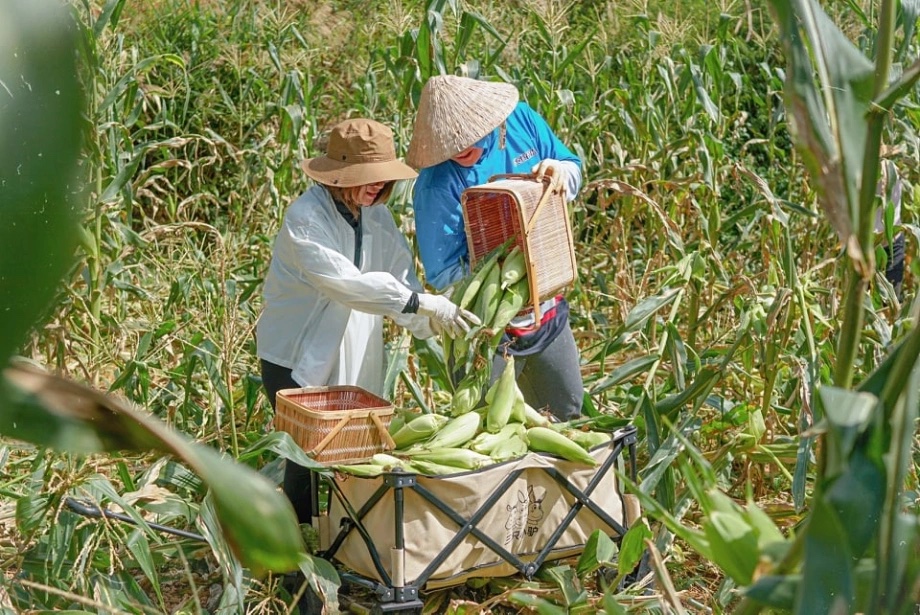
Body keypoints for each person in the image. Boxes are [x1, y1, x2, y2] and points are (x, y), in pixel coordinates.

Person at [256, 118, 479, 524]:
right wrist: (422, 304)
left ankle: (343, 544)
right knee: (303, 460)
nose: (376, 185)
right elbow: (350, 285)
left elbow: (400, 280)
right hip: (295, 355)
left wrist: (434, 323)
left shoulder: (376, 217)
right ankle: (297, 560)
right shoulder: (306, 218)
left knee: (353, 456)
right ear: (339, 176)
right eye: (365, 177)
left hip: (354, 352)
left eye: (381, 177)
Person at [406, 75, 585, 421]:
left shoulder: (522, 121)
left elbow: (573, 169)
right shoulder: (436, 185)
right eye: (447, 144)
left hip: (547, 310)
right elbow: (444, 274)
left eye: (467, 139)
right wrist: (505, 274)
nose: (458, 149)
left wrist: (561, 172)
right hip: (488, 330)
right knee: (490, 428)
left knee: (567, 414)